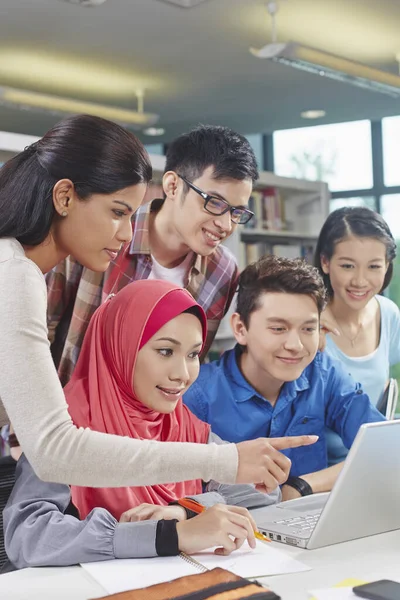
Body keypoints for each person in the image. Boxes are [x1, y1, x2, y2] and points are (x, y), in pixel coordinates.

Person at [0, 114, 310, 491]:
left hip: (109, 455)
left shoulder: (220, 272)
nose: (127, 233)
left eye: (131, 215)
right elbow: (52, 445)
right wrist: (224, 460)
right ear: (64, 197)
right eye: (117, 212)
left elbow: (175, 382)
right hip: (58, 451)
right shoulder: (18, 272)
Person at [4, 280, 284, 570]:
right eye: (165, 351)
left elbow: (261, 488)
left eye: (192, 355)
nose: (183, 374)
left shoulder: (178, 421)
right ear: (120, 347)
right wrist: (168, 535)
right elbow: (29, 536)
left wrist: (182, 510)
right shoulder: (66, 426)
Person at [46, 124, 258, 386]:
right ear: (172, 186)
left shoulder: (223, 270)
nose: (226, 225)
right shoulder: (99, 232)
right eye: (214, 203)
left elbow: (189, 367)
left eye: (237, 212)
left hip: (150, 422)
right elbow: (39, 332)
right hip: (69, 412)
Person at [183, 255, 385, 500]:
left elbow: (383, 448)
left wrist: (302, 485)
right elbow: (177, 493)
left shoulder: (324, 374)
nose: (295, 345)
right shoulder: (196, 395)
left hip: (310, 522)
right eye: (278, 328)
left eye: (308, 329)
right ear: (240, 329)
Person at [314, 206, 400, 464]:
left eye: (374, 266)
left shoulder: (388, 314)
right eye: (348, 265)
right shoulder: (305, 322)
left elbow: (383, 388)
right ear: (325, 262)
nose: (360, 281)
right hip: (313, 471)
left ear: (386, 266)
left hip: (372, 463)